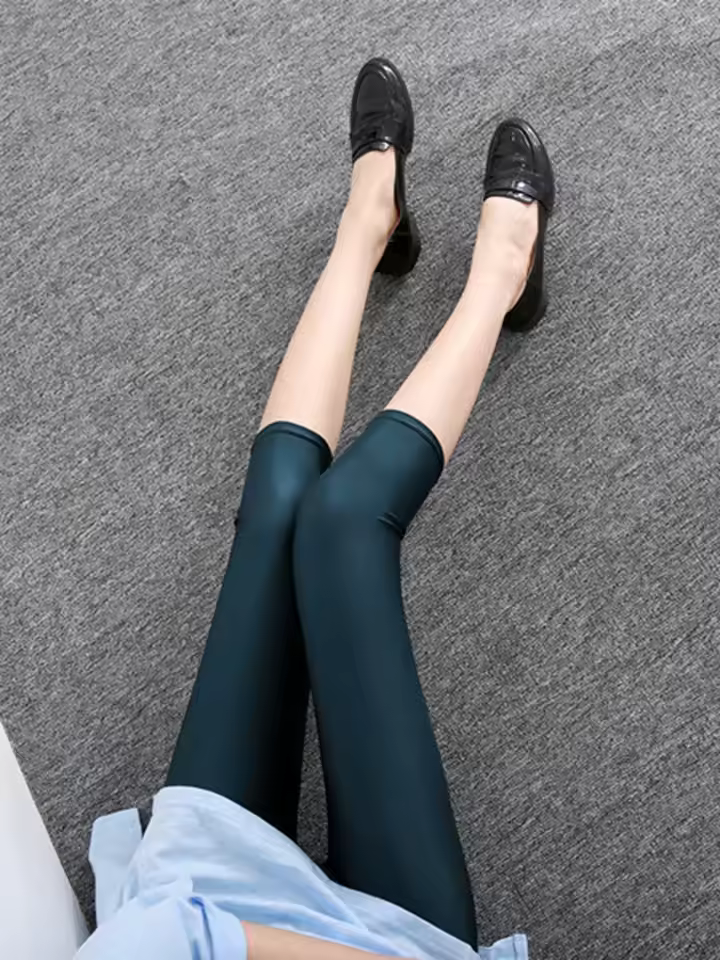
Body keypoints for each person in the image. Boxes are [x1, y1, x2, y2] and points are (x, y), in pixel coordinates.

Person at [78, 57, 554, 960]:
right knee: (342, 524)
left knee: (279, 511)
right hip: (388, 945)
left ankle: (367, 226)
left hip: (191, 906)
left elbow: (175, 934)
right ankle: (501, 277)